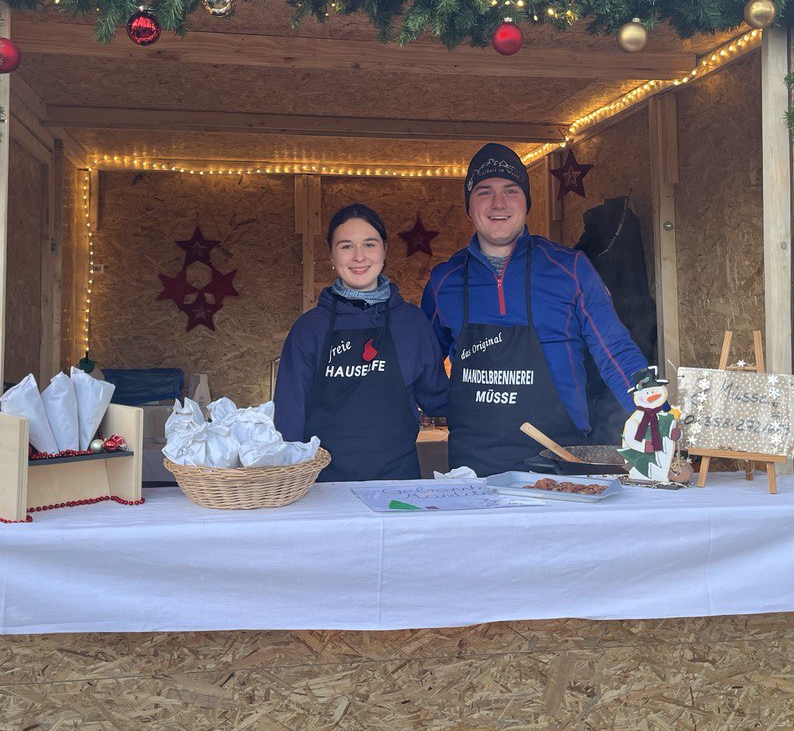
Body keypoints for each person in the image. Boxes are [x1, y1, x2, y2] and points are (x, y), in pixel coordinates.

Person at [421, 143, 650, 476]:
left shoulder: (570, 269)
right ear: (469, 204)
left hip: (561, 462)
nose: (498, 203)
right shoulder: (445, 281)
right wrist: (452, 405)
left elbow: (615, 350)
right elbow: (423, 363)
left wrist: (653, 413)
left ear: (526, 202)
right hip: (472, 467)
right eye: (484, 192)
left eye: (511, 191)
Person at [274, 203, 447, 482]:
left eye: (369, 244)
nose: (359, 256)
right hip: (322, 488)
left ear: (384, 250)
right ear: (331, 254)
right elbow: (288, 418)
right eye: (346, 246)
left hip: (397, 485)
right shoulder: (309, 329)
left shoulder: (412, 324)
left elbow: (438, 397)